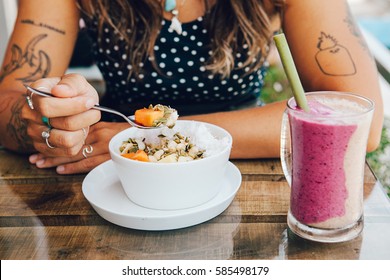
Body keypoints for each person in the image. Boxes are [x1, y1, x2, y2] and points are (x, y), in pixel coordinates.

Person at [0, 0, 384, 174]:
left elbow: (360, 121)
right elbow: (9, 100)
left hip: (251, 166)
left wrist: (162, 139)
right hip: (114, 164)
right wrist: (45, 117)